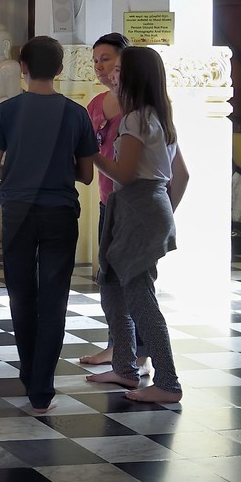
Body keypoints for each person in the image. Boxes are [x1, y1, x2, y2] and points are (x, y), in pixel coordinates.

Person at [0, 36, 99, 414]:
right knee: (54, 297)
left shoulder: (7, 111)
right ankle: (42, 387)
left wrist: (17, 171)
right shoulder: (77, 113)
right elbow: (87, 175)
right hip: (60, 212)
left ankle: (28, 370)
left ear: (24, 69)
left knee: (21, 293)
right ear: (61, 70)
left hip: (17, 211)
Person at [89, 46, 190, 405]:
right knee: (113, 286)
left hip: (137, 209)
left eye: (119, 70)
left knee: (140, 298)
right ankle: (125, 367)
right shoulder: (159, 117)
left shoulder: (135, 120)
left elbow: (125, 173)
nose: (112, 74)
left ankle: (168, 382)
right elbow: (182, 177)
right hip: (144, 209)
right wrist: (162, 214)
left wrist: (87, 153)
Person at [79, 34, 140, 368]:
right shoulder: (95, 104)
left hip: (134, 204)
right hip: (107, 201)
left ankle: (137, 352)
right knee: (110, 279)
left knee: (134, 282)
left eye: (107, 59)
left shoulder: (139, 108)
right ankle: (118, 344)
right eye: (96, 60)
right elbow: (85, 151)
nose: (100, 67)